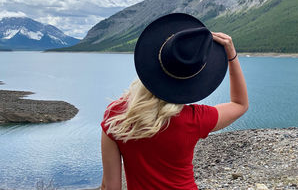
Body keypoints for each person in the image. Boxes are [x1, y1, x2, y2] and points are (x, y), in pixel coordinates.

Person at [100, 13, 248, 190]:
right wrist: (231, 56)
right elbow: (240, 104)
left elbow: (111, 187)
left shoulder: (115, 116)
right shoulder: (195, 119)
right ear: (191, 80)